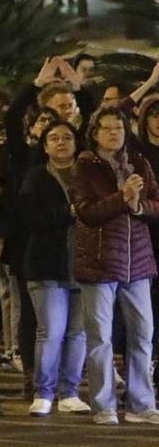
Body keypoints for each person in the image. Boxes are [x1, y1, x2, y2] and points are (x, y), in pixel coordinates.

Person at [70, 108, 159, 425]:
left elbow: (154, 205)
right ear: (94, 133)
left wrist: (137, 204)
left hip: (139, 263)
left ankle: (141, 404)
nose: (113, 133)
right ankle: (104, 404)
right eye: (106, 128)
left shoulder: (140, 163)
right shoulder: (85, 166)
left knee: (143, 335)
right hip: (100, 263)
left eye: (118, 127)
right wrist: (122, 196)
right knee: (100, 337)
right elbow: (86, 212)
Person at [11, 118, 89, 416]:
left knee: (78, 333)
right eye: (53, 138)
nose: (61, 142)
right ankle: (43, 392)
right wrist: (68, 212)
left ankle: (70, 392)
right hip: (46, 265)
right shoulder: (36, 177)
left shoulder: (88, 175)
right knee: (51, 330)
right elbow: (29, 217)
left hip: (84, 265)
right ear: (44, 146)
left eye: (67, 137)